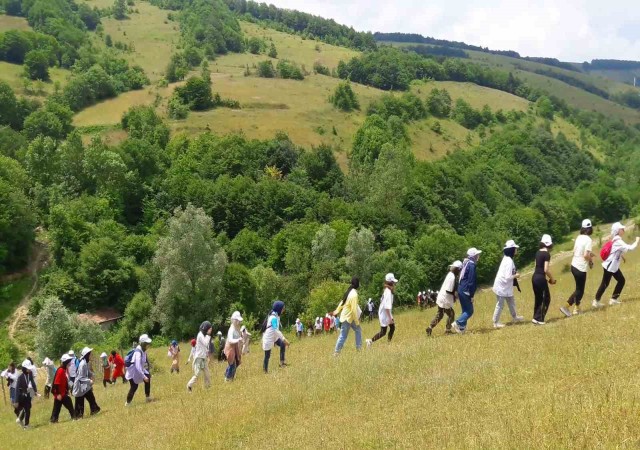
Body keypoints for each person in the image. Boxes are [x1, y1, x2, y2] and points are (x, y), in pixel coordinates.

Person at [594, 222, 639, 306]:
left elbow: (616, 250)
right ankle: (597, 301)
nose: (623, 230)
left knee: (620, 280)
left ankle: (613, 299)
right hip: (610, 266)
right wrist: (637, 241)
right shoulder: (618, 240)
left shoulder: (616, 239)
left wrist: (622, 256)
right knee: (606, 283)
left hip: (612, 266)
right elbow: (630, 248)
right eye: (622, 229)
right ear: (618, 231)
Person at [562, 219, 594, 316]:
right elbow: (585, 255)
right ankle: (566, 307)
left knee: (578, 288)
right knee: (580, 290)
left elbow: (575, 251)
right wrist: (591, 261)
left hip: (574, 266)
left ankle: (577, 308)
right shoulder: (588, 240)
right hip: (580, 267)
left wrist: (589, 255)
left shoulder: (579, 237)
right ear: (589, 229)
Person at [492, 240, 525, 328]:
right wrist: (516, 275)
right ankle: (495, 322)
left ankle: (515, 317)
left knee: (511, 301)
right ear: (512, 250)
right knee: (500, 304)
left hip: (505, 286)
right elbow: (507, 276)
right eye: (515, 248)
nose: (516, 250)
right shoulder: (509, 261)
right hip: (502, 287)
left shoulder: (507, 259)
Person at [426, 261, 462, 336]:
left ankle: (430, 327)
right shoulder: (452, 277)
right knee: (451, 314)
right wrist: (456, 295)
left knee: (440, 315)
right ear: (457, 269)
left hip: (442, 298)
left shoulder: (450, 274)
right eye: (460, 270)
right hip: (445, 299)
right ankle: (448, 330)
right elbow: (449, 290)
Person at [452, 248, 482, 334]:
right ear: (474, 256)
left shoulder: (466, 263)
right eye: (477, 255)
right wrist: (471, 295)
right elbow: (471, 281)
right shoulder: (471, 265)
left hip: (461, 288)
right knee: (469, 311)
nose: (478, 256)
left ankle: (462, 329)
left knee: (465, 310)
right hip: (466, 290)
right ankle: (457, 323)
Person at [366, 273, 398, 348]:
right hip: (385, 314)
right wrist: (390, 318)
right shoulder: (388, 292)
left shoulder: (387, 290)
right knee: (383, 332)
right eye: (393, 282)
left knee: (392, 328)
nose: (394, 284)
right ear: (391, 283)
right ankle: (370, 341)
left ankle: (388, 343)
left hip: (385, 313)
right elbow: (387, 307)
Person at [333, 277, 363, 355]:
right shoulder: (354, 294)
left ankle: (359, 349)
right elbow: (353, 309)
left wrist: (337, 310)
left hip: (349, 317)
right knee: (343, 335)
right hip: (348, 318)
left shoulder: (349, 291)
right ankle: (336, 352)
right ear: (358, 284)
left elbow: (342, 302)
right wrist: (357, 321)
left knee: (358, 330)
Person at [532, 235, 556, 325]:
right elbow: (546, 270)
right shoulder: (546, 254)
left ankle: (535, 317)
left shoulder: (537, 252)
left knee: (538, 298)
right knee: (546, 298)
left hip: (534, 277)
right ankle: (540, 319)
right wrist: (552, 279)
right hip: (541, 278)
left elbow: (536, 266)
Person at [262, 300, 290, 373]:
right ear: (279, 309)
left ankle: (282, 362)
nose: (284, 310)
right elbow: (276, 330)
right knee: (267, 355)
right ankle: (265, 370)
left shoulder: (276, 316)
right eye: (283, 308)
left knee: (282, 344)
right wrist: (284, 339)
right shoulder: (273, 318)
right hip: (269, 338)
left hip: (274, 337)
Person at [125, 334, 153, 406]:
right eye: (146, 343)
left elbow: (145, 360)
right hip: (133, 372)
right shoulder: (138, 352)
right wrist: (143, 376)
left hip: (139, 371)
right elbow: (137, 365)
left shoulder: (143, 350)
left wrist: (149, 366)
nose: (148, 345)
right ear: (143, 343)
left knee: (148, 378)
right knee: (134, 387)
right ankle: (128, 403)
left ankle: (147, 397)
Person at [73, 347, 100, 418]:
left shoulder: (85, 363)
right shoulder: (83, 364)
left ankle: (94, 409)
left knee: (91, 397)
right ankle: (78, 416)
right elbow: (80, 377)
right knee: (79, 401)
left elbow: (87, 372)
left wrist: (92, 374)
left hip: (84, 385)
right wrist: (89, 381)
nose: (91, 356)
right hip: (80, 385)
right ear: (87, 355)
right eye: (90, 354)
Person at [50, 354, 75, 423]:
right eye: (69, 361)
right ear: (66, 362)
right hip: (60, 393)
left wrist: (67, 389)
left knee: (57, 407)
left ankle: (53, 419)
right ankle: (74, 416)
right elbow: (56, 383)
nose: (70, 363)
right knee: (69, 403)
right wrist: (58, 394)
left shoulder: (64, 369)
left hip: (62, 393)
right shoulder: (60, 370)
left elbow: (65, 381)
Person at [187, 322, 212, 392]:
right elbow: (205, 343)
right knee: (197, 374)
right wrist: (208, 335)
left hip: (203, 358)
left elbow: (205, 347)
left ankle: (208, 389)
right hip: (198, 358)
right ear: (206, 328)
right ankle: (189, 385)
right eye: (210, 329)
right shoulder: (200, 335)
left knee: (207, 374)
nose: (210, 330)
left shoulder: (203, 335)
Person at [15, 359, 37, 429]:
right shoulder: (20, 377)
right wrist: (16, 401)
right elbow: (17, 389)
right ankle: (26, 425)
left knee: (28, 407)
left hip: (27, 393)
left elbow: (32, 382)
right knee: (27, 409)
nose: (29, 370)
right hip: (21, 395)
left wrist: (35, 391)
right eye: (28, 369)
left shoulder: (29, 373)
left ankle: (20, 419)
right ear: (24, 368)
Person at [224, 311, 244, 381]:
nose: (238, 322)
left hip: (235, 347)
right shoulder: (231, 329)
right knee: (232, 364)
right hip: (230, 348)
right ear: (233, 320)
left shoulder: (238, 328)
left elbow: (239, 336)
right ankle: (228, 378)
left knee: (237, 362)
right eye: (237, 320)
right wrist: (238, 340)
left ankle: (228, 374)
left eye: (239, 321)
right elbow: (230, 340)